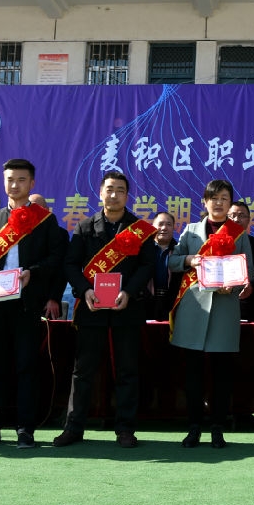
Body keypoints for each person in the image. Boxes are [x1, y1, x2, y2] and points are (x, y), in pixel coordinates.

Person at [0, 159, 67, 449]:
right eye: (10, 179)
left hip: (27, 304)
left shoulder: (45, 221)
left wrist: (33, 272)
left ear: (31, 183)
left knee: (26, 367)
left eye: (21, 180)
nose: (14, 185)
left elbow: (56, 258)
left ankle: (25, 429)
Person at [52, 171, 156, 448]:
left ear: (127, 195)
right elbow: (70, 264)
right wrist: (85, 290)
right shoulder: (85, 227)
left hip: (127, 306)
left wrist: (129, 291)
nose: (114, 195)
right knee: (83, 370)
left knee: (127, 370)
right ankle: (73, 428)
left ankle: (126, 430)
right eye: (109, 189)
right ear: (100, 193)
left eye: (120, 190)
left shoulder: (139, 229)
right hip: (92, 306)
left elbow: (148, 265)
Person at [169, 179, 254, 448]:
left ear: (230, 203)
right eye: (213, 198)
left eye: (224, 198)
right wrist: (189, 259)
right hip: (193, 308)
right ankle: (194, 428)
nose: (218, 203)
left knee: (222, 375)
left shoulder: (238, 233)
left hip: (224, 310)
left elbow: (247, 271)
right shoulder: (190, 231)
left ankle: (218, 428)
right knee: (193, 374)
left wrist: (235, 285)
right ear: (204, 202)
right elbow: (172, 260)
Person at [29, 193, 69, 320]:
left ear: (47, 211)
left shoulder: (60, 234)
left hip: (45, 303)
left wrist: (54, 298)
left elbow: (62, 270)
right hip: (19, 302)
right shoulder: (17, 235)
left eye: (37, 209)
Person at [146, 211, 182, 321]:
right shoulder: (144, 250)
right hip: (146, 303)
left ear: (174, 228)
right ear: (153, 227)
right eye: (160, 224)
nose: (164, 228)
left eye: (169, 224)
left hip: (172, 303)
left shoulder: (180, 251)